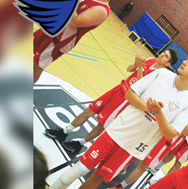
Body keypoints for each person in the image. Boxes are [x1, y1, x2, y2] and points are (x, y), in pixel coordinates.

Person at [33, 51, 188, 189]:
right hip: (116, 131)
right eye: (187, 59)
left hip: (134, 147)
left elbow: (171, 133)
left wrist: (158, 113)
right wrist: (147, 107)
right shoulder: (161, 74)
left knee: (97, 177)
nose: (184, 62)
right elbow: (130, 94)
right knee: (79, 169)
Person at [44, 49, 178, 154]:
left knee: (102, 124)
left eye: (166, 56)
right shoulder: (149, 60)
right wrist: (135, 64)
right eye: (163, 52)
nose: (162, 55)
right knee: (90, 109)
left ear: (168, 64)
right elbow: (129, 69)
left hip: (126, 99)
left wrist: (140, 68)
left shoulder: (161, 75)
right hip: (118, 89)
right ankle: (64, 131)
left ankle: (80, 143)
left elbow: (141, 85)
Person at [105, 83, 188, 189]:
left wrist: (183, 115)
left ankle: (120, 187)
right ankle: (122, 167)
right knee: (133, 150)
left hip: (167, 140)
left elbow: (187, 132)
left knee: (143, 165)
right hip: (156, 129)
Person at [34, 0, 125, 83]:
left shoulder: (102, 11)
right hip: (55, 26)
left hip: (61, 39)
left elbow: (75, 21)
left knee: (37, 65)